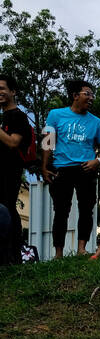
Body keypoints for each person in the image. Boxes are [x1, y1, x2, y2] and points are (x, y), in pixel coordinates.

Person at [41, 78, 100, 258]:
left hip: (86, 169)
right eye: (87, 94)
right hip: (62, 168)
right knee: (61, 211)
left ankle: (81, 249)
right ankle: (58, 253)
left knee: (86, 208)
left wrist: (97, 161)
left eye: (92, 95)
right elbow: (47, 142)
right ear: (75, 96)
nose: (91, 98)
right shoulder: (55, 115)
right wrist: (44, 166)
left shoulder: (97, 122)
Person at [0, 71, 33, 265]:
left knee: (7, 208)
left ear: (13, 91)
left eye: (2, 89)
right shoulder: (4, 117)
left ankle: (12, 256)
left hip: (10, 171)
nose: (0, 93)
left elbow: (13, 142)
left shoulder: (18, 117)